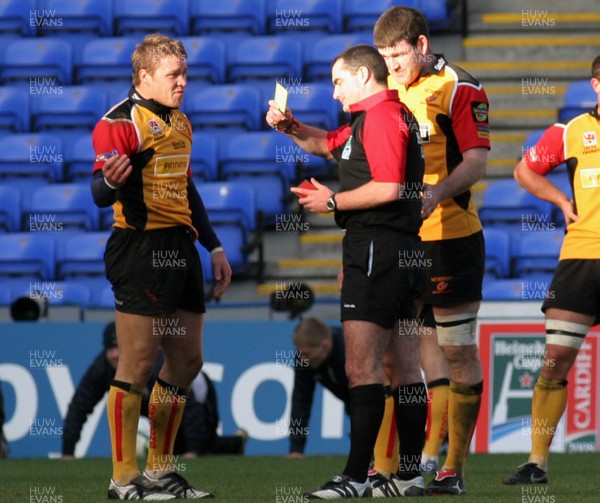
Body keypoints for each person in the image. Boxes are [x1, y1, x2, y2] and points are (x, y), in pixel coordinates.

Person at [268, 44, 425, 499]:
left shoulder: (378, 118)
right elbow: (327, 145)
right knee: (404, 367)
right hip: (400, 251)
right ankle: (408, 475)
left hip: (376, 246)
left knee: (362, 367)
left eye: (338, 82)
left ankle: (358, 477)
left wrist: (332, 201)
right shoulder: (375, 118)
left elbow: (390, 186)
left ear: (362, 76)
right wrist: (292, 127)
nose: (334, 92)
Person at [91, 33, 231, 500]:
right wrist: (108, 183)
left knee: (187, 360)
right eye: (174, 74)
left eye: (185, 73)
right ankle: (122, 477)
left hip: (182, 250)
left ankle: (159, 471)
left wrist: (212, 247)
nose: (183, 82)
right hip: (141, 250)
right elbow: (98, 190)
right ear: (144, 76)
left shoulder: (182, 123)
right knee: (135, 364)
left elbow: (187, 190)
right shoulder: (120, 122)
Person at [373, 6, 491, 495]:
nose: (391, 66)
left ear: (422, 45)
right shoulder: (385, 90)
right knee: (388, 354)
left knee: (456, 351)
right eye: (383, 57)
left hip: (450, 238)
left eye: (397, 55)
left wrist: (437, 193)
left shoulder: (461, 88)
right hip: (398, 240)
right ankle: (385, 470)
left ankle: (452, 469)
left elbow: (478, 162)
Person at [503, 56, 600, 485]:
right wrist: (562, 202)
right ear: (596, 85)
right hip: (581, 256)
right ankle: (537, 462)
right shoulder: (572, 131)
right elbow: (524, 170)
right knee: (555, 359)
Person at [62, 323, 245, 460]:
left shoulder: (154, 366)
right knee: (174, 450)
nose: (116, 354)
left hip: (196, 390)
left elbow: (189, 404)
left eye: (120, 348)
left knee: (204, 446)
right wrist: (68, 452)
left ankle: (235, 444)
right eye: (111, 349)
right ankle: (233, 444)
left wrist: (194, 451)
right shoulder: (101, 369)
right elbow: (80, 406)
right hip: (156, 405)